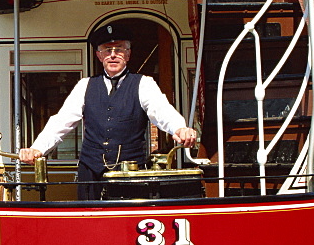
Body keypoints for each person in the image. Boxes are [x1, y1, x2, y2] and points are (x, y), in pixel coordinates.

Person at [18, 24, 197, 200]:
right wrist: (38, 148)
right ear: (99, 55)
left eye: (119, 49)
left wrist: (179, 128)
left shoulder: (144, 83)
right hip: (91, 172)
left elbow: (162, 111)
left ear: (128, 54)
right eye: (107, 49)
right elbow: (61, 121)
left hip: (130, 174)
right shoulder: (85, 85)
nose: (112, 55)